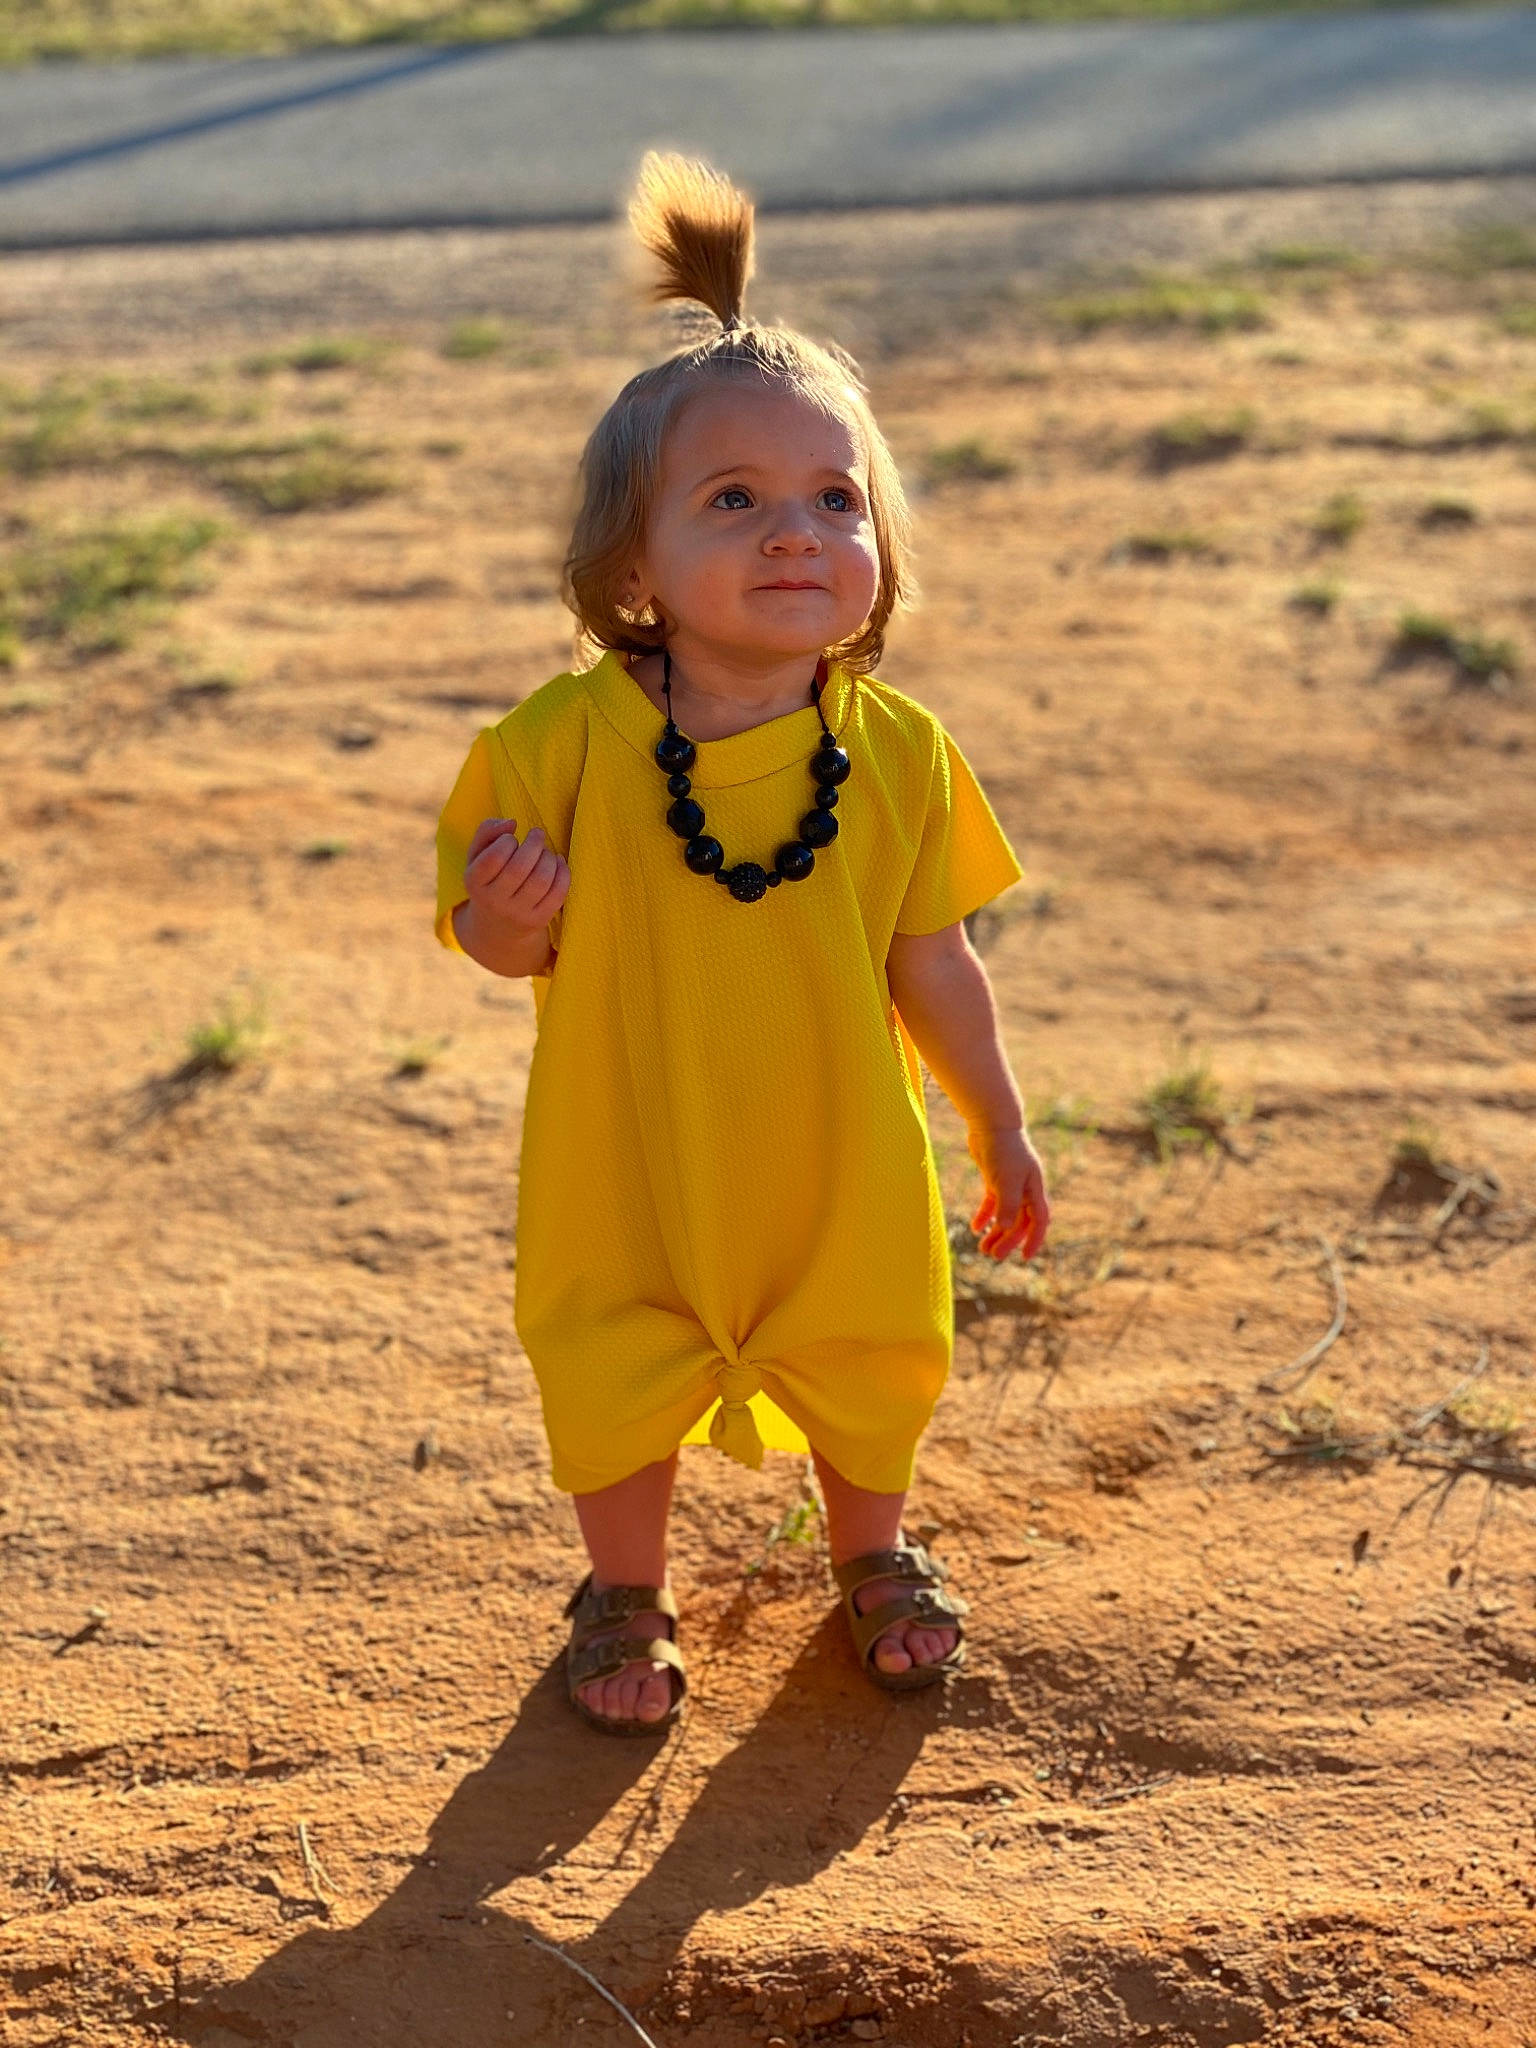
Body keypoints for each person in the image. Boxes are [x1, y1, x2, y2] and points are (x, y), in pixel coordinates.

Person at [435, 150, 1050, 1739]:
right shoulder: (562, 744)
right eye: (735, 501)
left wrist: (996, 1115)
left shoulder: (899, 751)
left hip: (837, 1139)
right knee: (610, 1346)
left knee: (876, 1334)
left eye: (834, 500)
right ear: (632, 570)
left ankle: (875, 1550)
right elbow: (492, 937)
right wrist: (505, 926)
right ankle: (625, 1590)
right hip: (628, 1140)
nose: (796, 533)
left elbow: (935, 957)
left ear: (879, 548)